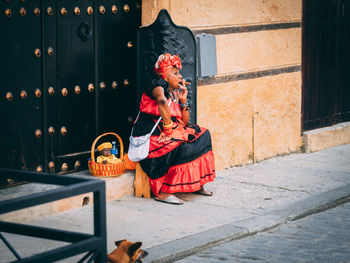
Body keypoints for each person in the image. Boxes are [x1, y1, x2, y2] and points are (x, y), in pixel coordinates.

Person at [132, 53, 216, 205]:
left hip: (170, 131)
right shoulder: (157, 85)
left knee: (203, 135)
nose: (180, 77)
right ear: (164, 76)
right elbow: (162, 101)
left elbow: (184, 121)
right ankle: (164, 192)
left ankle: (196, 184)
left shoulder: (172, 91)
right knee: (181, 145)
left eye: (179, 73)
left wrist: (183, 100)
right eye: (175, 73)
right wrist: (168, 130)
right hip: (153, 136)